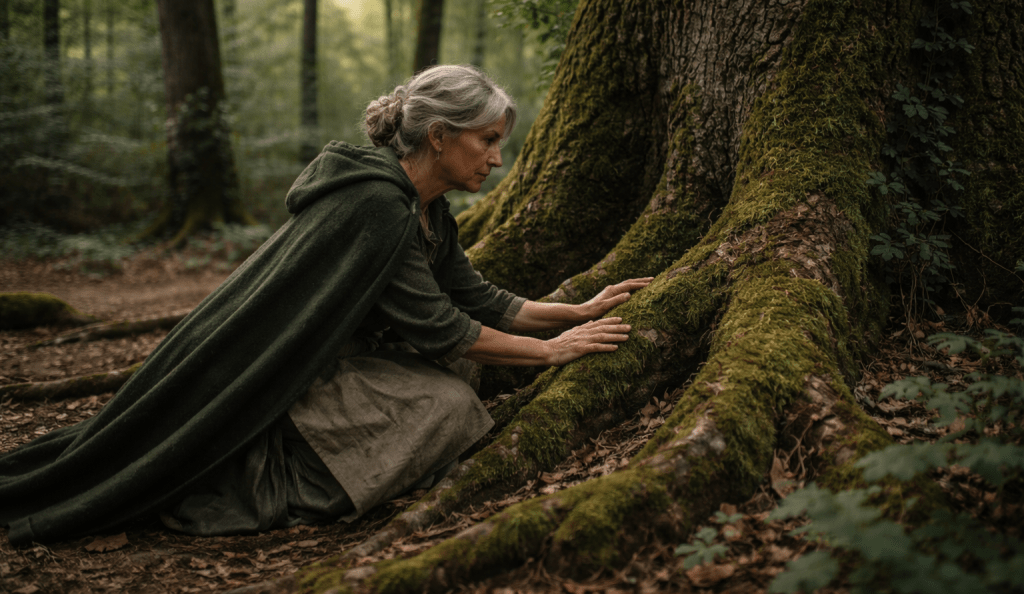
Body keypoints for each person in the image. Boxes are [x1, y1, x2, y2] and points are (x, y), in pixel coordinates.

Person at [0, 65, 650, 544]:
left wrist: (578, 312)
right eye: (487, 141)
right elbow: (445, 329)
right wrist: (550, 354)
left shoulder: (429, 212)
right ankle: (288, 479)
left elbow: (476, 297)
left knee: (460, 384)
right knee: (453, 400)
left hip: (332, 365)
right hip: (278, 376)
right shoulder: (376, 207)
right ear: (441, 137)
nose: (498, 158)